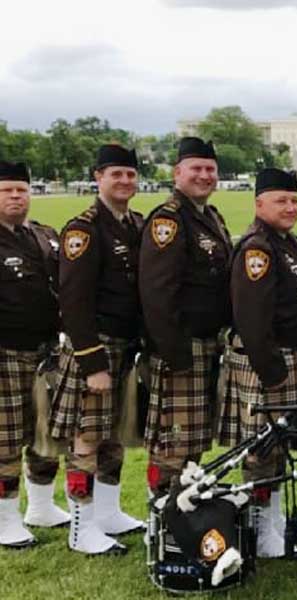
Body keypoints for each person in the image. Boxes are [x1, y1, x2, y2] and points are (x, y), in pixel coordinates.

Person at [221, 168, 297, 558]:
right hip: (269, 361)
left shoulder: (285, 242)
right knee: (262, 450)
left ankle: (274, 521)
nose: (290, 207)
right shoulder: (258, 249)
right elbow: (252, 320)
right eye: (281, 200)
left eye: (294, 200)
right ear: (259, 204)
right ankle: (262, 534)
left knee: (277, 446)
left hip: (288, 357)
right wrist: (272, 371)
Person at [51, 144, 144, 555]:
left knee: (114, 437)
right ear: (98, 177)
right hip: (98, 345)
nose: (124, 182)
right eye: (115, 174)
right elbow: (73, 300)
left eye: (130, 174)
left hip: (127, 345)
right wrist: (91, 361)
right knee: (86, 439)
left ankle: (107, 513)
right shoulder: (84, 228)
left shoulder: (134, 225)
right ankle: (81, 526)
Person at [139, 137, 232, 496]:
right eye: (196, 168)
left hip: (207, 343)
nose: (205, 175)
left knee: (194, 441)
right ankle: (162, 521)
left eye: (210, 169)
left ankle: (185, 522)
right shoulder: (170, 220)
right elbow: (158, 294)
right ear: (177, 173)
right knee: (173, 444)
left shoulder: (209, 217)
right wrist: (174, 352)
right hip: (181, 346)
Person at [0, 161, 68, 548]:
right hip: (5, 351)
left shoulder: (44, 234)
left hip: (47, 349)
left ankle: (41, 505)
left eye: (21, 190)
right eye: (6, 190)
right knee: (6, 438)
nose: (15, 196)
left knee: (46, 430)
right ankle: (4, 517)